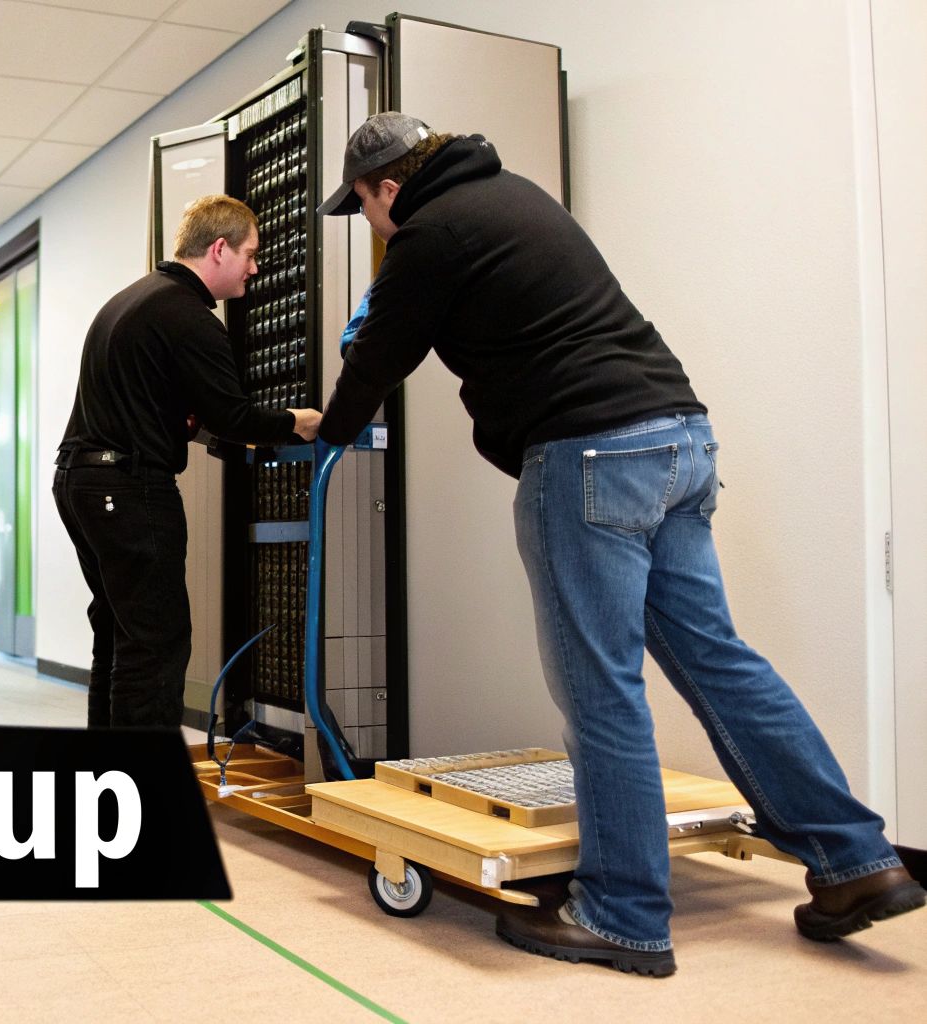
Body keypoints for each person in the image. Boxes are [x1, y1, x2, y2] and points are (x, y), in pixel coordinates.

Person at [315, 112, 923, 976]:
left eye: (367, 210)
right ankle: (857, 863)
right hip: (679, 439)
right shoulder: (518, 197)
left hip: (590, 453)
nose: (373, 227)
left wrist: (325, 431)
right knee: (720, 661)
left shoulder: (428, 233)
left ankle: (624, 916)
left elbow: (374, 363)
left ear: (386, 189)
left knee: (602, 691)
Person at [55, 195, 322, 728]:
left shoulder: (130, 301)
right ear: (218, 249)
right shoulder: (189, 316)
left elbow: (144, 400)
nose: (255, 266)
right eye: (249, 253)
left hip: (82, 481)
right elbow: (234, 416)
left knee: (119, 632)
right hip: (129, 488)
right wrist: (298, 421)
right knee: (156, 642)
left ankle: (108, 787)